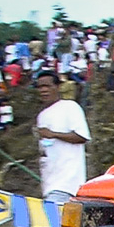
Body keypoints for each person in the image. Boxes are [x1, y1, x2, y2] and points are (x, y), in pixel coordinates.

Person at [34, 70, 91, 202]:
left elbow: (81, 136)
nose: (43, 90)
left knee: (53, 221)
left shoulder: (70, 107)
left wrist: (52, 134)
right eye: (40, 87)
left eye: (47, 86)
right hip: (49, 183)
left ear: (58, 87)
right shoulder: (42, 116)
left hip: (68, 184)